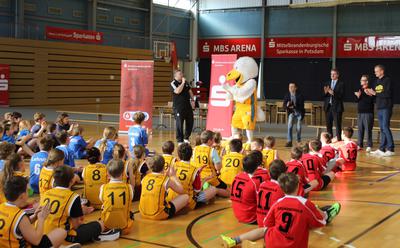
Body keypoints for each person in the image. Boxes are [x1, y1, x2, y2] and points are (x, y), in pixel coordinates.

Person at [220, 173, 341, 248]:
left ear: (282, 188)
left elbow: (267, 223)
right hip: (295, 245)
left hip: (273, 243)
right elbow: (320, 223)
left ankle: (233, 241)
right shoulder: (305, 204)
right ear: (298, 185)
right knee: (312, 219)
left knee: (265, 230)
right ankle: (326, 213)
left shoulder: (278, 203)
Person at [39, 165, 120, 244]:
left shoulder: (46, 193)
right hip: (62, 238)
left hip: (43, 235)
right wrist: (82, 214)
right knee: (100, 224)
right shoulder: (73, 197)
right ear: (71, 181)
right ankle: (98, 236)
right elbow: (76, 225)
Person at [0, 176, 70, 248]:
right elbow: (37, 240)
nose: (29, 192)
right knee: (61, 232)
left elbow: (18, 226)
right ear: (23, 196)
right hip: (30, 242)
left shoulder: (2, 207)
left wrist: (34, 216)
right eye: (27, 190)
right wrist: (41, 219)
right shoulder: (20, 216)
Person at [167, 143, 216, 209]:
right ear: (191, 155)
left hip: (171, 200)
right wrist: (205, 179)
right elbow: (197, 190)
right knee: (213, 189)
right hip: (188, 202)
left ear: (178, 155)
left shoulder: (173, 166)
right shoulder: (194, 170)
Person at [139, 155, 189, 220]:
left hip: (142, 212)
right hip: (158, 214)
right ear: (163, 166)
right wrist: (173, 176)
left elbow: (156, 180)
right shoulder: (166, 180)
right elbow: (181, 190)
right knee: (186, 196)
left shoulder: (145, 178)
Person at [366, 65, 395, 156]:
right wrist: (371, 94)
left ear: (382, 71)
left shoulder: (387, 80)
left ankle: (391, 148)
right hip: (379, 107)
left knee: (385, 127)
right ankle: (382, 149)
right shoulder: (376, 81)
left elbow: (387, 94)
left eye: (377, 71)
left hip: (386, 107)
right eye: (375, 71)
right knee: (382, 128)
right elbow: (377, 95)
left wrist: (375, 93)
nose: (375, 73)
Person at [100, 159, 134, 234]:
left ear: (108, 174)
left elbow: (102, 200)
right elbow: (130, 199)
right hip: (124, 226)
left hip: (107, 226)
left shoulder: (103, 187)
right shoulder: (129, 188)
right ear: (123, 173)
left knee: (103, 207)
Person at [191, 130, 229, 197]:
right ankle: (215, 191)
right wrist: (220, 159)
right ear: (209, 141)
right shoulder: (212, 150)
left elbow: (193, 163)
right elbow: (218, 167)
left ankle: (207, 190)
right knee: (228, 191)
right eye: (213, 140)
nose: (214, 141)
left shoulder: (195, 149)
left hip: (198, 178)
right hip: (210, 178)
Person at [231, 152, 264, 224]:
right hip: (251, 218)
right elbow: (261, 203)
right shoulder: (253, 182)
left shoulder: (237, 176)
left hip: (237, 214)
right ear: (256, 167)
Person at [170, 69, 195, 144]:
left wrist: (193, 100)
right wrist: (183, 83)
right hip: (178, 107)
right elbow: (177, 91)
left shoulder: (186, 83)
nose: (182, 75)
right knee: (179, 124)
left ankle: (186, 138)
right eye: (180, 74)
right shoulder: (173, 83)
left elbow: (190, 91)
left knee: (190, 121)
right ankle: (179, 140)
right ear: (175, 75)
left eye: (182, 74)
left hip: (187, 106)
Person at [323, 68, 345, 141]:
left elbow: (342, 96)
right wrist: (325, 92)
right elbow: (323, 96)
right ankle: (330, 141)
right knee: (328, 126)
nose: (332, 75)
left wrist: (333, 93)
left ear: (337, 75)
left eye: (334, 74)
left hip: (337, 107)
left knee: (337, 125)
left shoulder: (341, 83)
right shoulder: (327, 83)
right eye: (331, 74)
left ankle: (339, 140)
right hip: (328, 107)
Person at [354, 74, 374, 152]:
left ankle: (369, 145)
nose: (361, 81)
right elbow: (356, 101)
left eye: (363, 80)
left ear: (367, 81)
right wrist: (358, 96)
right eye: (361, 80)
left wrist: (367, 94)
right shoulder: (360, 89)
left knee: (368, 129)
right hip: (360, 112)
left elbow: (370, 101)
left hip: (368, 112)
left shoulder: (370, 89)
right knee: (360, 129)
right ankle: (360, 144)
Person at [284, 82, 305, 147]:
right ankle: (289, 141)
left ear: (296, 88)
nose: (290, 88)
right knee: (289, 126)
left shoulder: (300, 95)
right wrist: (287, 105)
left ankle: (298, 141)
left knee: (298, 128)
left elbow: (301, 106)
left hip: (299, 112)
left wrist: (294, 106)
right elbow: (284, 106)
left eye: (292, 87)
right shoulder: (287, 95)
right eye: (289, 87)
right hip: (291, 113)